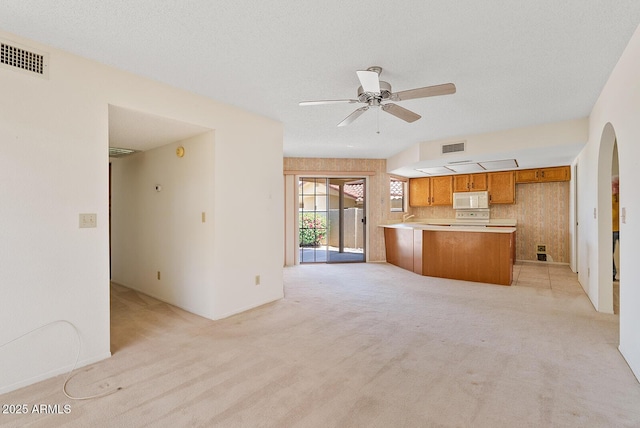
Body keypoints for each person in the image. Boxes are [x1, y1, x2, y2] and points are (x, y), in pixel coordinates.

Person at [612, 175, 619, 281]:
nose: (615, 187)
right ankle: (612, 274)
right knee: (609, 252)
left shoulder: (626, 194)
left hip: (624, 229)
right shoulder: (609, 196)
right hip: (611, 229)